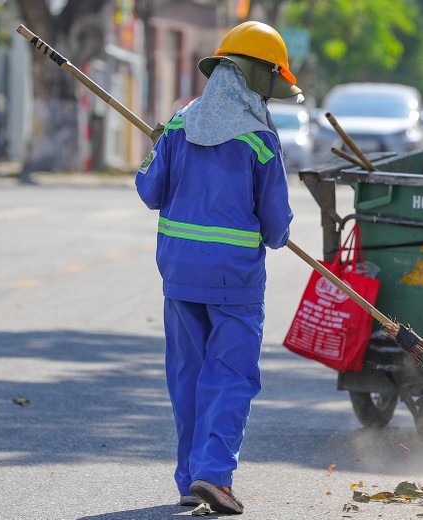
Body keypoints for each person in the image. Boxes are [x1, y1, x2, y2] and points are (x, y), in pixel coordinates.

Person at [135, 21, 298, 515]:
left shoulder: (179, 127)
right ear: (257, 78)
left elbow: (148, 192)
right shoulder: (260, 142)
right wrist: (280, 231)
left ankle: (190, 480)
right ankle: (214, 477)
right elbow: (276, 229)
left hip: (179, 276)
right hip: (236, 284)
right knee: (229, 377)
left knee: (187, 377)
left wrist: (155, 146)